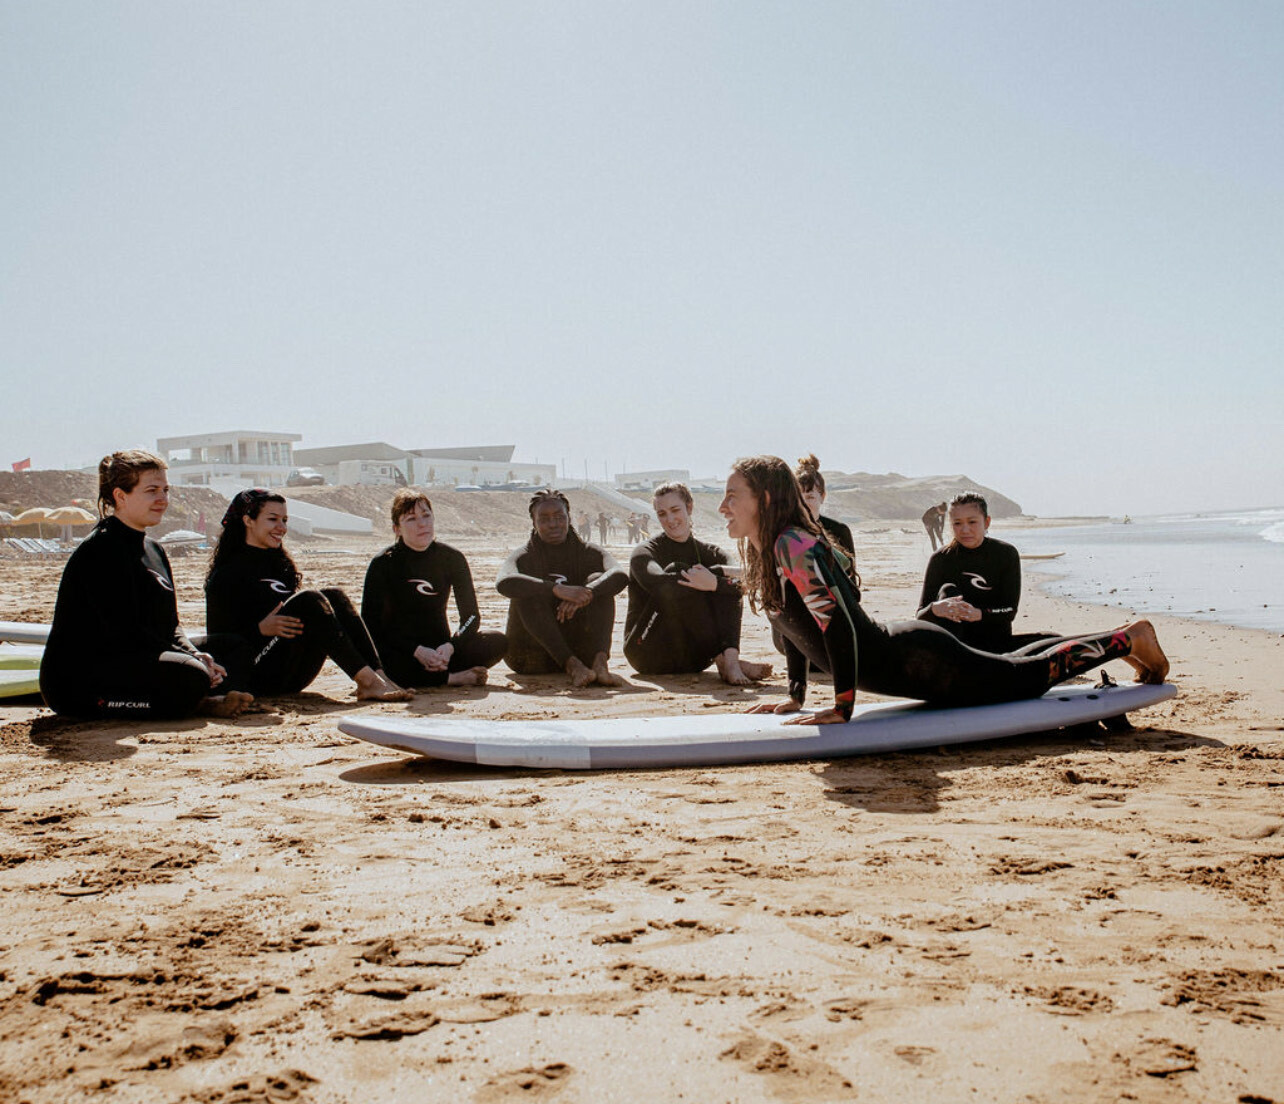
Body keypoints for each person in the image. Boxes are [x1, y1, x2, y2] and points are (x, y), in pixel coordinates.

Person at [720, 456, 1169, 725]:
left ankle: (1130, 639)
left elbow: (837, 626)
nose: (723, 506)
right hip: (904, 655)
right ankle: (1125, 635)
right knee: (1014, 664)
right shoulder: (775, 552)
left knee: (1028, 677)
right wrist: (796, 695)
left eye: (732, 495)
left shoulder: (792, 545)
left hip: (916, 660)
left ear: (764, 498)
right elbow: (797, 629)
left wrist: (842, 708)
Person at [40, 450, 253, 719]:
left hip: (136, 659)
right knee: (191, 673)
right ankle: (200, 701)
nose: (162, 499)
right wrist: (192, 661)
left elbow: (170, 624)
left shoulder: (154, 549)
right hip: (82, 682)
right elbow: (123, 633)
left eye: (166, 490)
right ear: (120, 496)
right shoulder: (101, 549)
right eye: (152, 490)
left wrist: (194, 652)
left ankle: (197, 695)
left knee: (234, 648)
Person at [205, 489, 410, 701]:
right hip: (255, 674)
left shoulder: (278, 564)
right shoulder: (227, 573)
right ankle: (367, 682)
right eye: (273, 519)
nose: (282, 527)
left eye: (284, 520)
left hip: (292, 672)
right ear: (248, 520)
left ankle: (380, 676)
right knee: (310, 599)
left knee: (334, 595)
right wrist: (260, 629)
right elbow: (217, 643)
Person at [624, 482, 771, 685]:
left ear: (689, 508)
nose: (670, 519)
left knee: (727, 585)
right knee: (679, 571)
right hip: (647, 651)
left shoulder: (709, 552)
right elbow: (658, 581)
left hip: (696, 658)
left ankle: (729, 660)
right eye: (662, 514)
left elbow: (745, 578)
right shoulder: (645, 552)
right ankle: (725, 662)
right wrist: (714, 575)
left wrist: (714, 581)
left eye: (675, 510)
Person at [362, 491, 507, 688]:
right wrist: (416, 650)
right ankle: (453, 679)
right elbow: (371, 624)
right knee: (375, 660)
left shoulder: (452, 558)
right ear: (397, 529)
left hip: (442, 652)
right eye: (411, 519)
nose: (422, 524)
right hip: (402, 652)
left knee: (497, 642)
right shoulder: (383, 564)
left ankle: (436, 674)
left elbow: (471, 617)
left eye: (426, 516)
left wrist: (450, 647)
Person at [497, 489, 628, 687]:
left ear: (569, 518)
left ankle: (600, 663)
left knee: (599, 581)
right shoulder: (525, 555)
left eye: (560, 517)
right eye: (544, 519)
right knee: (526, 588)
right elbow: (504, 582)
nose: (553, 524)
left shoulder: (587, 552)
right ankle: (572, 666)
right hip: (530, 656)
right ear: (534, 523)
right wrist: (556, 590)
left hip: (580, 651)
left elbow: (619, 575)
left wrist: (588, 592)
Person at [916, 492, 1056, 653]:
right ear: (951, 524)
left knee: (1053, 639)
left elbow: (1009, 610)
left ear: (987, 522)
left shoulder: (1005, 554)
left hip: (995, 646)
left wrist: (979, 614)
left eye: (972, 522)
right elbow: (920, 615)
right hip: (953, 647)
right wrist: (935, 608)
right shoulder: (941, 559)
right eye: (957, 523)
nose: (965, 529)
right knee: (948, 590)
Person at [795, 454, 854, 556]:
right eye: (799, 498)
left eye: (810, 497)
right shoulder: (786, 534)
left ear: (822, 496)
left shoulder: (839, 531)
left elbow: (849, 570)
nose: (804, 504)